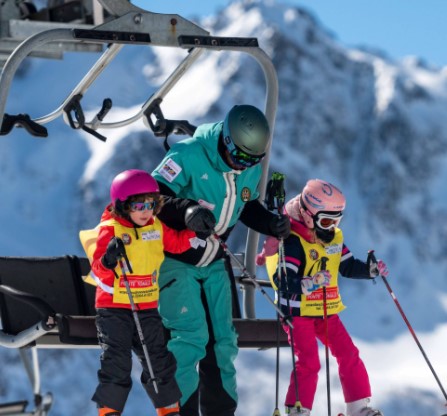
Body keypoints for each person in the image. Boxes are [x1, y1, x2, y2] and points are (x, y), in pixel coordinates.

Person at [151, 104, 291, 416]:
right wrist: (186, 210)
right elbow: (152, 198)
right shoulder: (187, 155)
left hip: (215, 260)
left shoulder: (249, 168)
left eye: (253, 160)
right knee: (188, 339)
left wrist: (270, 223)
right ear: (226, 140)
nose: (244, 166)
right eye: (240, 157)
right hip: (177, 259)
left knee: (223, 343)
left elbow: (246, 204)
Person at [257, 179, 387, 416]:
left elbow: (346, 266)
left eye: (336, 221)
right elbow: (283, 280)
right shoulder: (294, 240)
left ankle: (359, 408)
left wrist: (369, 270)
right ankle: (298, 410)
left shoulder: (333, 237)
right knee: (309, 363)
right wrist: (308, 284)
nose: (331, 227)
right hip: (298, 314)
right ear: (308, 215)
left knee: (348, 353)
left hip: (325, 310)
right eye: (326, 221)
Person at [89, 169, 198, 416]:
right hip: (114, 307)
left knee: (158, 360)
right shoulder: (111, 229)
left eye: (151, 204)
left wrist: (195, 229)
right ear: (123, 205)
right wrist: (108, 259)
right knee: (117, 360)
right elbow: (97, 270)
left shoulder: (155, 226)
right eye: (139, 205)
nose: (146, 210)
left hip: (147, 306)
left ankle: (169, 410)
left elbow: (178, 244)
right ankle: (109, 411)